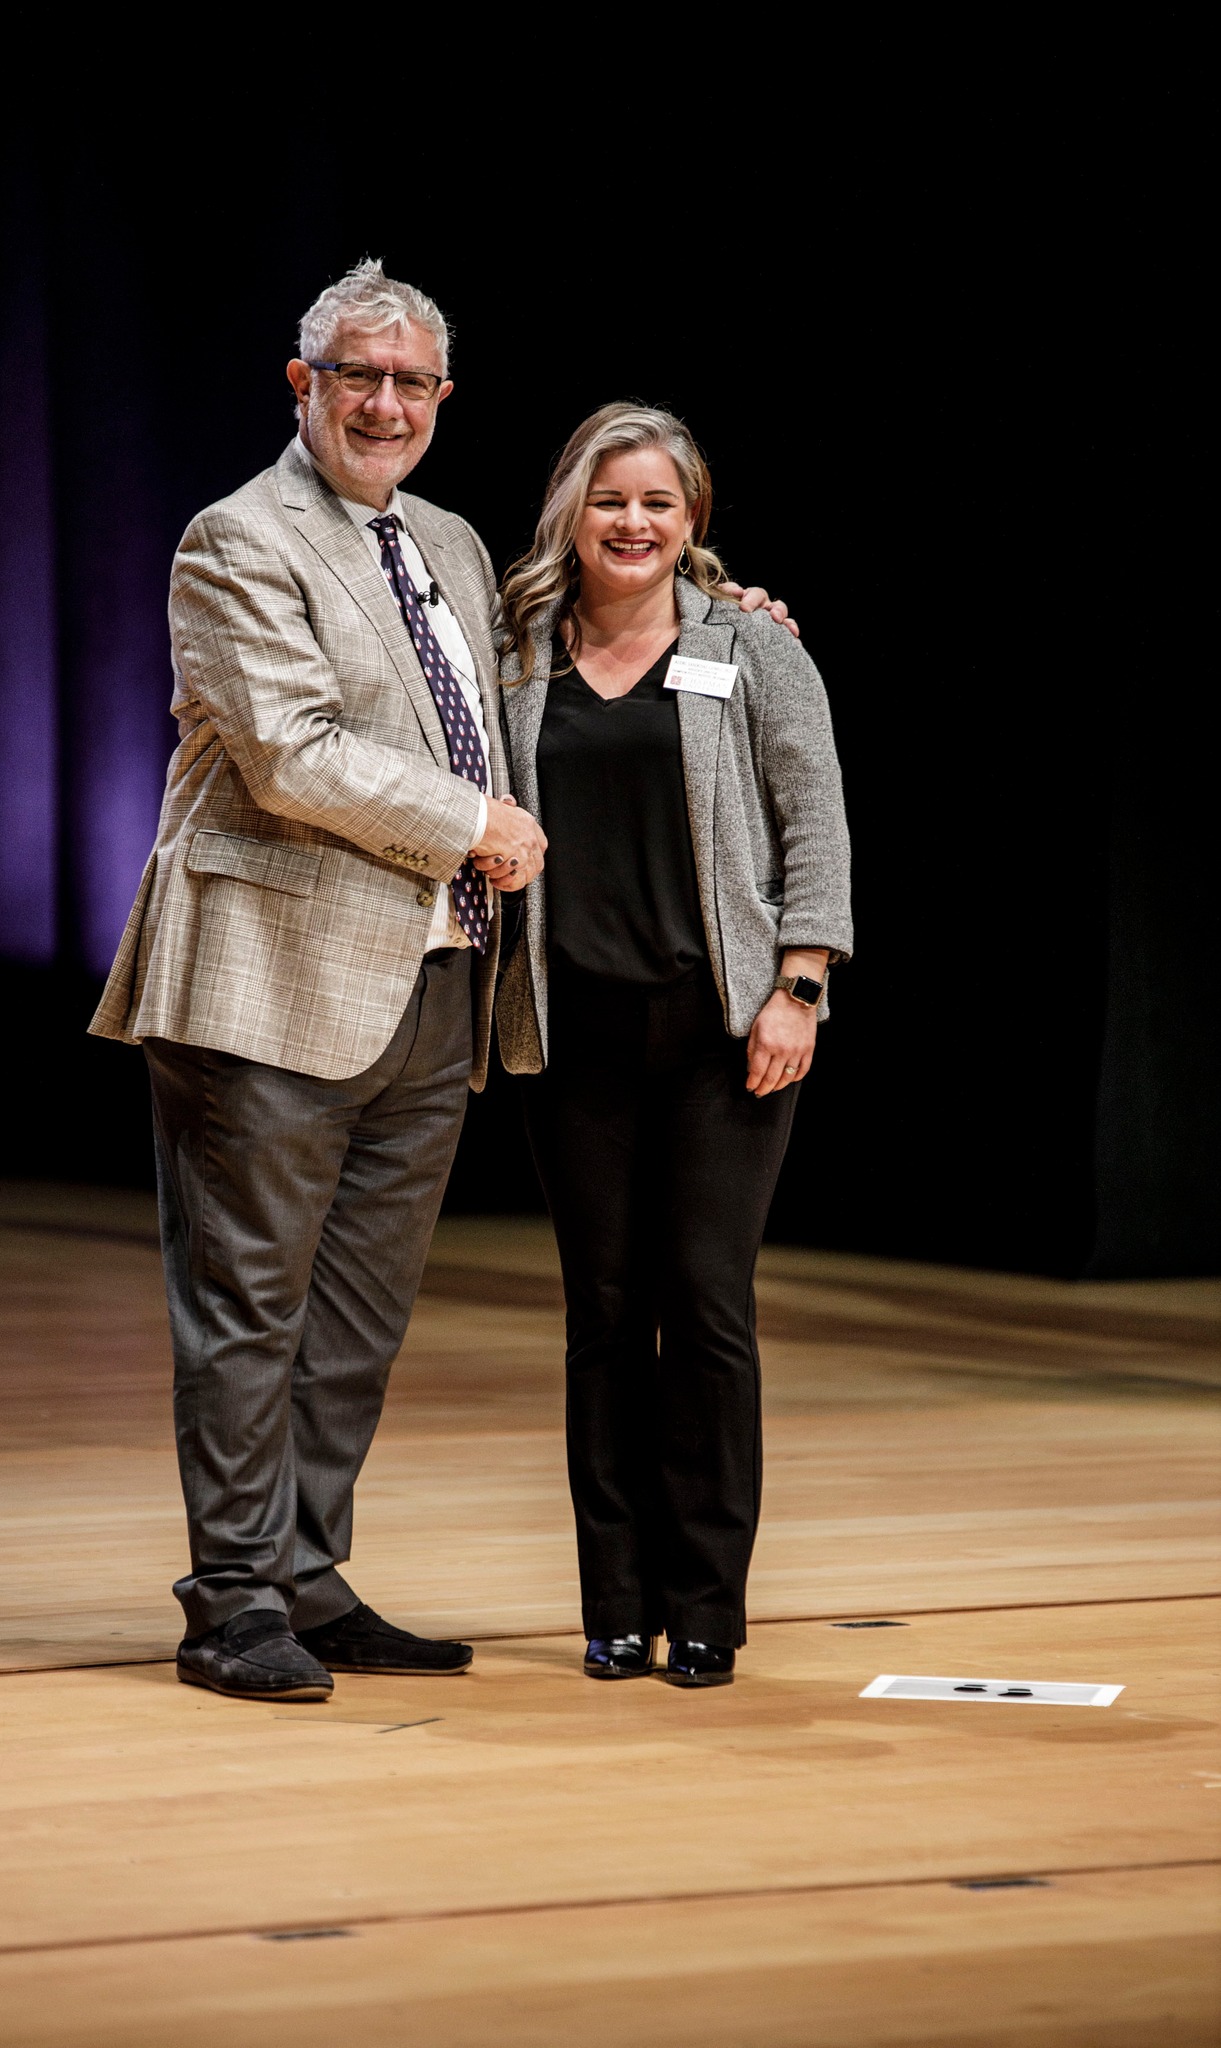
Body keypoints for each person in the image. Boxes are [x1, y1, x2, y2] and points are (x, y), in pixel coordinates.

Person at [91, 265, 788, 1704]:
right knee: (250, 1302)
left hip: (434, 981)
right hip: (271, 977)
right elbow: (286, 750)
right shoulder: (238, 538)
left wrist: (729, 614)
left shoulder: (457, 548)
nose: (385, 403)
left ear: (442, 400)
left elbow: (579, 642)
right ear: (305, 386)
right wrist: (472, 822)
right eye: (359, 375)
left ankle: (304, 1567)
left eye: (412, 383)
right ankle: (230, 1596)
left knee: (354, 1311)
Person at [484, 403, 852, 1689]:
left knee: (703, 1310)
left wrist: (799, 986)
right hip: (570, 1035)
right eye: (609, 500)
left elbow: (815, 819)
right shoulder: (513, 649)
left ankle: (705, 1605)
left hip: (721, 1033)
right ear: (569, 515)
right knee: (602, 1316)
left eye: (657, 501)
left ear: (690, 518)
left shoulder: (750, 643)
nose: (631, 523)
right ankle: (614, 1602)